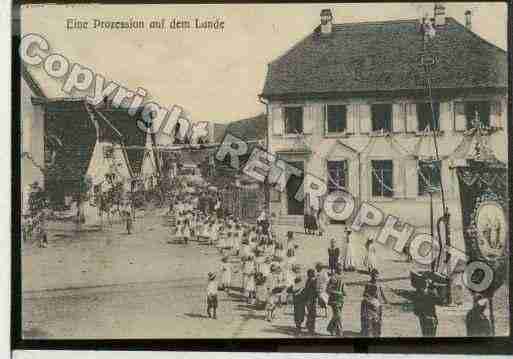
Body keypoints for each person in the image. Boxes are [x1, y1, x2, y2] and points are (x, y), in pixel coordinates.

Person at [326, 265, 345, 336]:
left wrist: (343, 292)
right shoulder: (333, 278)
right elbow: (328, 289)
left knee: (337, 315)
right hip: (334, 299)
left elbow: (344, 290)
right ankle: (339, 331)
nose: (341, 270)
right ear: (336, 270)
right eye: (339, 269)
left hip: (340, 299)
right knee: (338, 315)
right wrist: (336, 292)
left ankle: (332, 329)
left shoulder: (341, 277)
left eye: (341, 269)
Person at [304, 268, 318, 336]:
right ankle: (311, 329)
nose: (315, 274)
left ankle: (309, 325)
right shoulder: (313, 281)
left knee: (310, 314)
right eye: (313, 273)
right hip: (311, 300)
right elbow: (315, 290)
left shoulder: (308, 280)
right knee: (312, 314)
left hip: (309, 300)